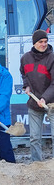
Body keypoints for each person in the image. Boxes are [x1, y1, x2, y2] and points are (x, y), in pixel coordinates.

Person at [20, 29, 54, 161]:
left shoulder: (52, 58)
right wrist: (26, 85)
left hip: (51, 103)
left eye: (46, 41)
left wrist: (45, 98)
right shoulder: (25, 58)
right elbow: (24, 74)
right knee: (34, 137)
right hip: (34, 103)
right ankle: (36, 164)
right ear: (34, 43)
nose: (44, 44)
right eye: (41, 42)